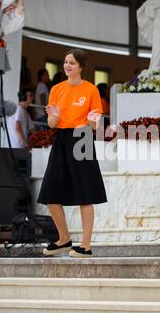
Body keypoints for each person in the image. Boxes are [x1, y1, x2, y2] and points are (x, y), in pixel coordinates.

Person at [37, 49, 107, 258]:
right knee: (50, 193)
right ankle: (64, 239)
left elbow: (95, 125)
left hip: (82, 137)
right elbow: (51, 124)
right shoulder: (56, 89)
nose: (67, 66)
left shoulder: (91, 90)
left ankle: (85, 245)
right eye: (66, 62)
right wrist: (55, 116)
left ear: (81, 67)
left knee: (85, 194)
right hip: (61, 139)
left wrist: (94, 120)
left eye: (72, 63)